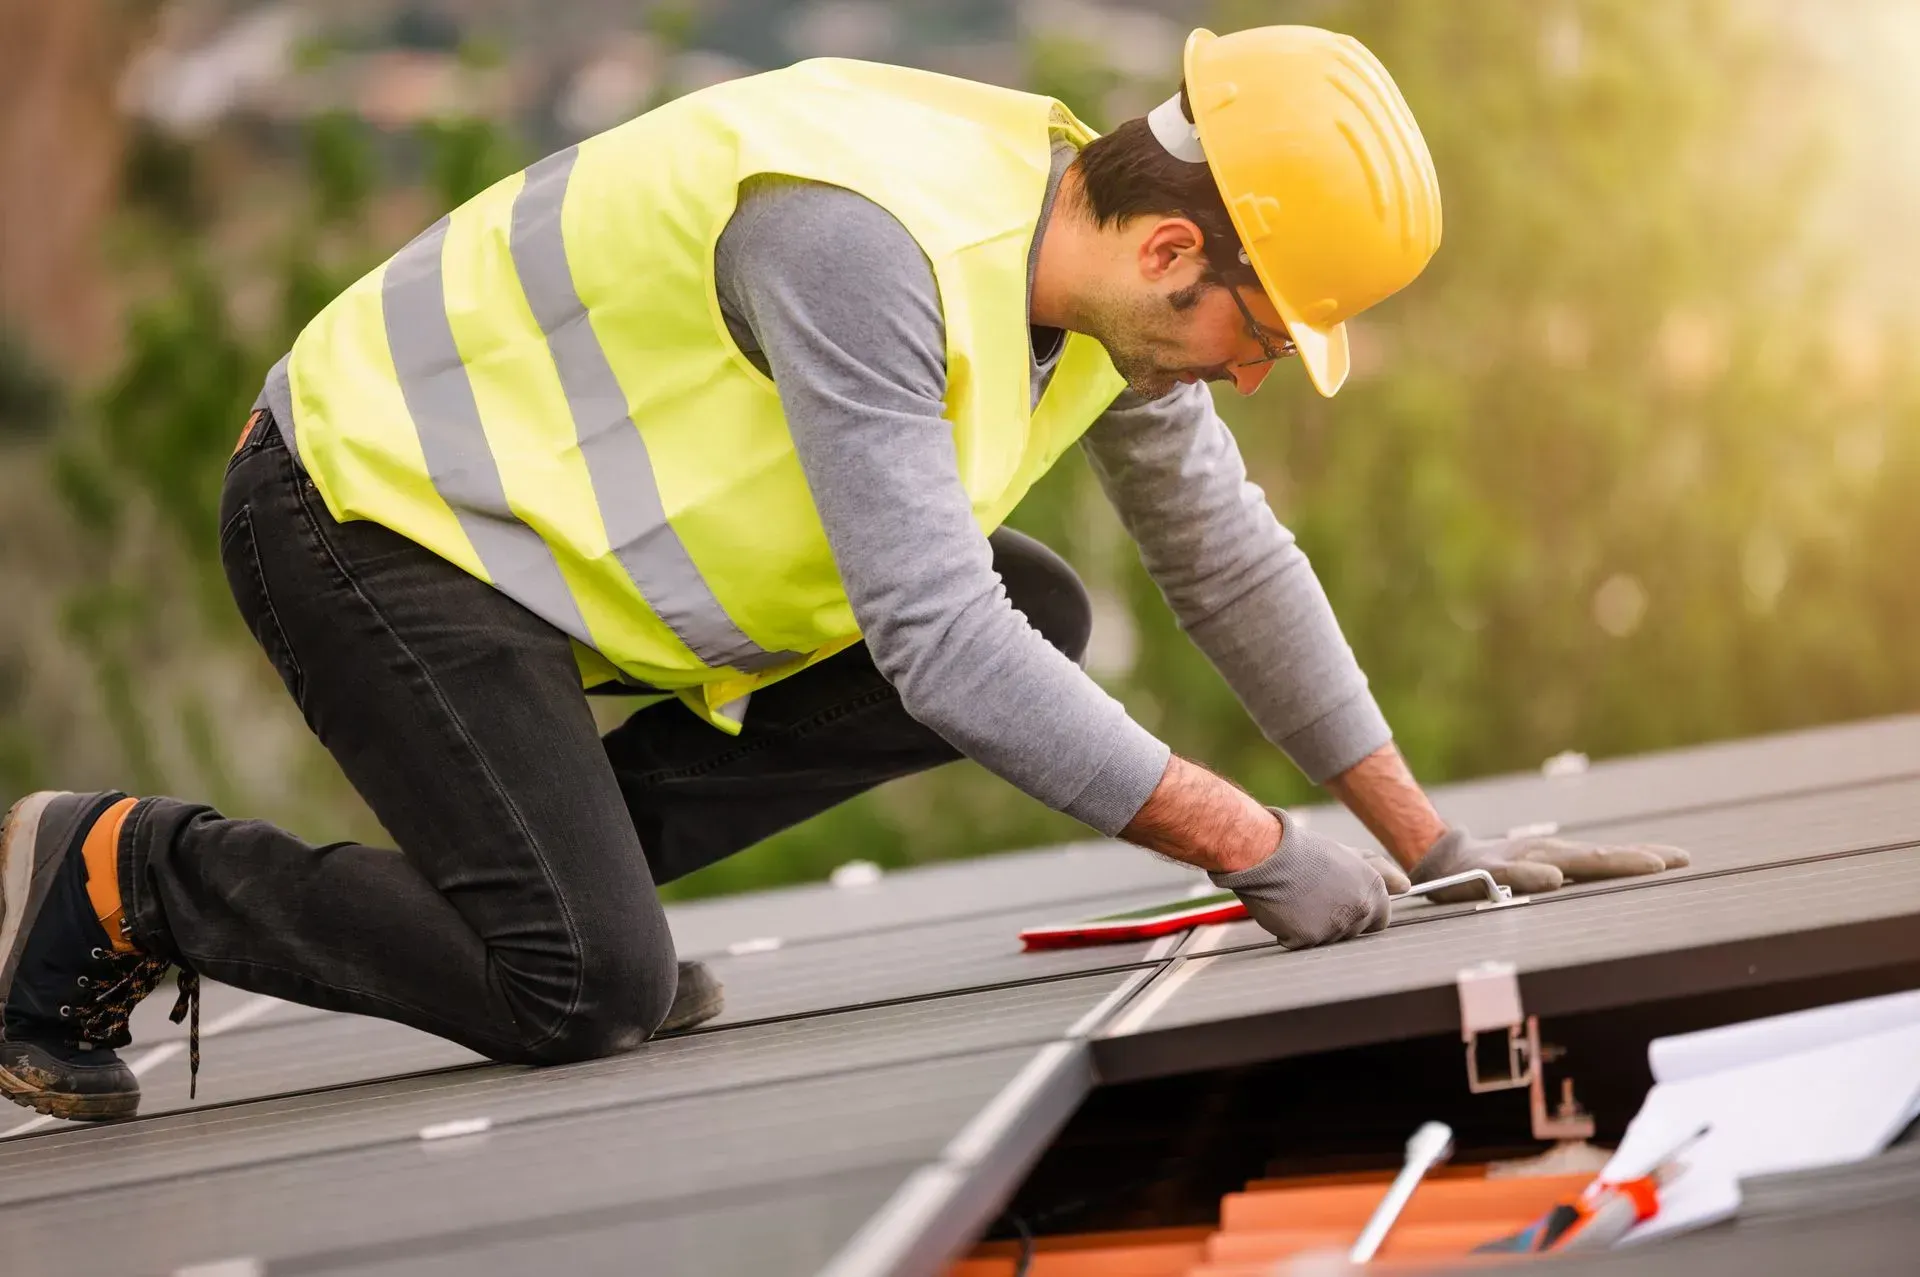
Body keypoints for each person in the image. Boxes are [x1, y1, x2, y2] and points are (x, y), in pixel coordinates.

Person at [0, 25, 1687, 1122]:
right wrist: (1253, 845)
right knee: (581, 989)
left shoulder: (1096, 299)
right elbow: (932, 645)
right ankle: (129, 872)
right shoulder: (866, 243)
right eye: (1263, 334)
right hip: (369, 511)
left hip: (533, 562)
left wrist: (1433, 845)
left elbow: (1228, 558)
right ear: (1177, 248)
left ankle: (570, 894)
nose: (1255, 375)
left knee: (1047, 610)